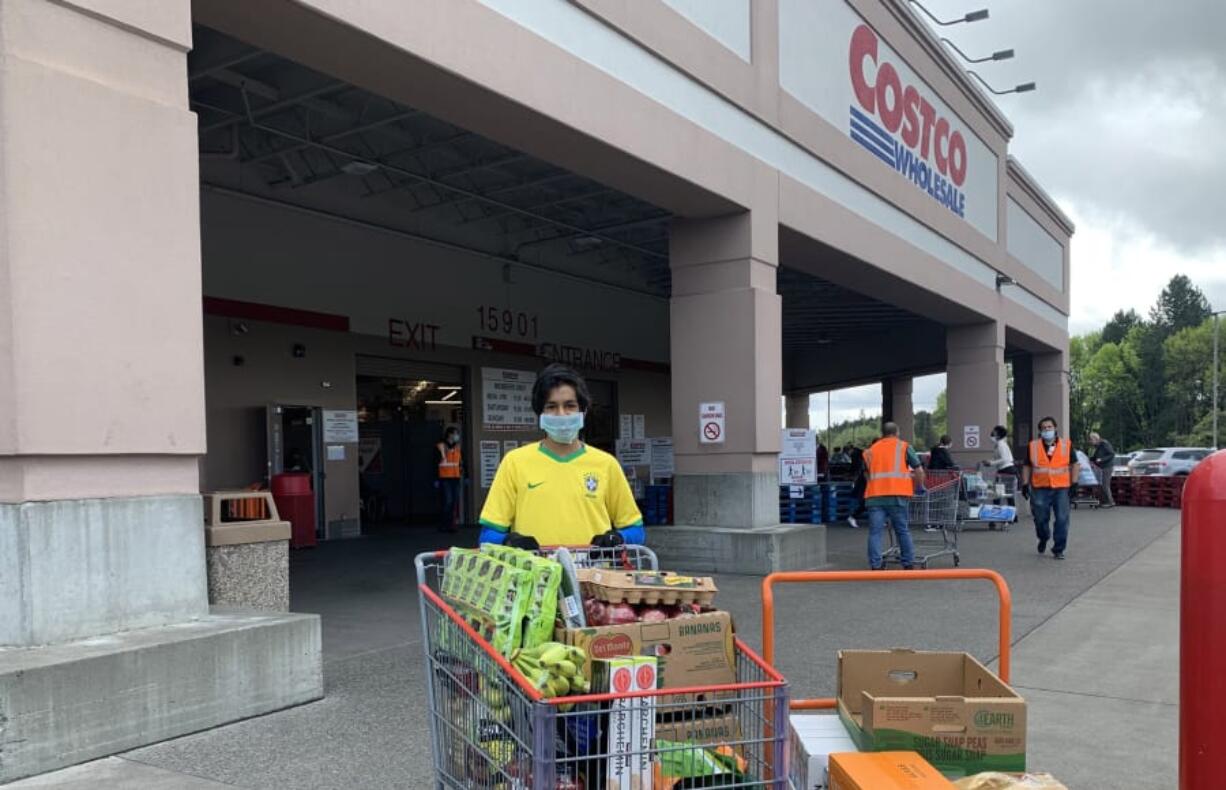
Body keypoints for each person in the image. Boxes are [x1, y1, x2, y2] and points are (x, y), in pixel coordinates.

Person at [478, 364, 645, 547]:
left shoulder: (606, 464)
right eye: (551, 406)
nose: (561, 414)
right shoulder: (515, 462)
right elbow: (488, 534)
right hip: (535, 573)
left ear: (584, 411)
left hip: (592, 572)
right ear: (540, 413)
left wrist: (620, 538)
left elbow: (635, 530)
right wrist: (508, 540)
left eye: (570, 406)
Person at [863, 422, 925, 570]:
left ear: (882, 433)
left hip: (875, 497)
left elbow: (866, 474)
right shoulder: (903, 447)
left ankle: (876, 565)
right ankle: (908, 563)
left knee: (875, 533)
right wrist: (919, 486)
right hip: (897, 496)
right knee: (902, 530)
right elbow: (919, 470)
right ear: (897, 432)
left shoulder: (870, 450)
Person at [1021, 417, 1080, 561]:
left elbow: (1075, 464)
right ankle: (1043, 537)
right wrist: (1024, 484)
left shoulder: (1066, 445)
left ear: (1055, 428)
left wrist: (1074, 483)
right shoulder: (1033, 446)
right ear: (1040, 431)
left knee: (1062, 519)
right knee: (1040, 518)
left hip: (1061, 488)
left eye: (1049, 427)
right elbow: (1027, 465)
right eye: (1044, 428)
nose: (1047, 430)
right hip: (1040, 487)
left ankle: (1058, 549)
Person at [981, 425, 1020, 512]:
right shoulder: (999, 445)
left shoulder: (1001, 445)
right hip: (1005, 470)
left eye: (993, 432)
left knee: (1000, 493)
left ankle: (998, 512)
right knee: (1005, 493)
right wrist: (990, 462)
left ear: (998, 435)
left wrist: (991, 463)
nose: (991, 434)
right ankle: (1010, 515)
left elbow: (1004, 459)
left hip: (1007, 470)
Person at [436, 425, 463, 533]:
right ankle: (444, 524)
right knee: (448, 501)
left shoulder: (458, 447)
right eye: (455, 433)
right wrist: (436, 479)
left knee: (454, 502)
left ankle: (452, 525)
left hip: (455, 478)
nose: (457, 436)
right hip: (444, 478)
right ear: (449, 434)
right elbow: (434, 463)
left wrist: (466, 476)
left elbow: (461, 462)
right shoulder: (441, 446)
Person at [1088, 432, 1116, 507]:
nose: (1090, 442)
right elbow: (1096, 457)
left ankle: (1110, 502)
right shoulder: (1098, 446)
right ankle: (1104, 501)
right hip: (1102, 467)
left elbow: (1111, 454)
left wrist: (1102, 460)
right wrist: (1089, 459)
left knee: (1105, 485)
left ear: (1095, 439)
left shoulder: (1104, 444)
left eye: (1091, 440)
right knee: (1102, 485)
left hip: (1107, 467)